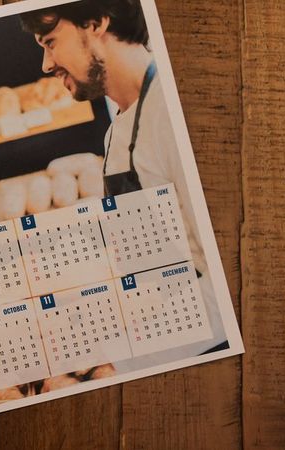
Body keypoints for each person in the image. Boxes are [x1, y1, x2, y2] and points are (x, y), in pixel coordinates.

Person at [21, 0, 228, 366]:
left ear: (96, 22)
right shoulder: (116, 131)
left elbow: (225, 286)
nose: (46, 64)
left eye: (50, 42)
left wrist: (119, 360)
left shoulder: (173, 112)